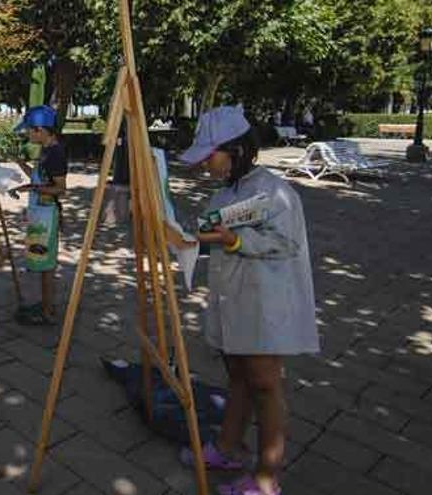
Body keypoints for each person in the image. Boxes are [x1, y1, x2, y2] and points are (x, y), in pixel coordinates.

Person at [177, 106, 319, 495]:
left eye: (211, 157)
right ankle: (227, 446)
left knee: (265, 384)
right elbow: (208, 230)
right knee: (237, 374)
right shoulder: (228, 191)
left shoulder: (274, 192)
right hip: (234, 298)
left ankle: (267, 476)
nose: (206, 166)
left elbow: (286, 243)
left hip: (265, 302)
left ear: (236, 151)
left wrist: (235, 240)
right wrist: (181, 237)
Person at [10, 105, 67, 325]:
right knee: (42, 263)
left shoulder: (55, 154)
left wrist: (30, 189)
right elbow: (38, 177)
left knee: (46, 265)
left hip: (47, 215)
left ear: (41, 130)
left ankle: (48, 311)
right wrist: (19, 162)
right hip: (40, 212)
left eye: (30, 131)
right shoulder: (46, 150)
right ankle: (46, 305)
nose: (27, 134)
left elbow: (60, 188)